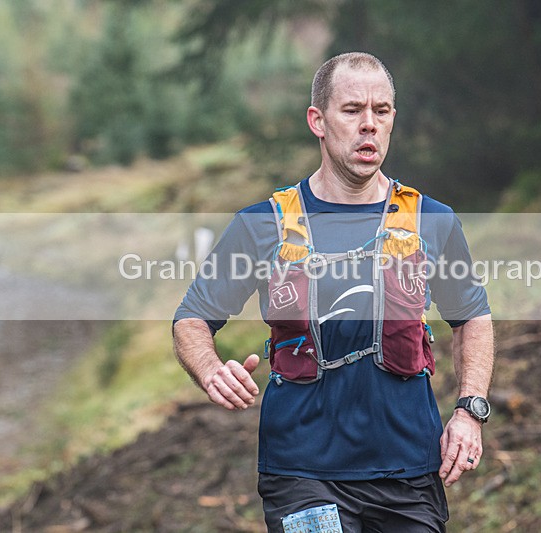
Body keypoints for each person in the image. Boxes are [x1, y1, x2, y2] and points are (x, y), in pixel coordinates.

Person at [173, 52, 495, 532]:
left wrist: (470, 410)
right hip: (300, 470)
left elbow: (472, 317)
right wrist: (208, 368)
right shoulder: (265, 224)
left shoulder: (433, 219)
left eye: (381, 111)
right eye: (352, 110)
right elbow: (191, 317)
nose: (369, 125)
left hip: (408, 469)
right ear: (317, 121)